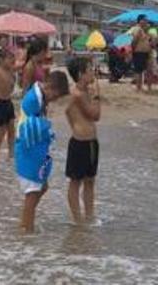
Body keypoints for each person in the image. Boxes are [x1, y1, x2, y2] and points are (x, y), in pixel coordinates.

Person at [15, 70, 70, 234]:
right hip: (27, 150)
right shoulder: (34, 100)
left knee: (42, 186)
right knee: (32, 193)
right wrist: (47, 129)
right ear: (50, 88)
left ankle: (26, 220)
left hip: (33, 149)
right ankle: (26, 230)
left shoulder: (39, 97)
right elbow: (28, 129)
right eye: (56, 96)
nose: (55, 100)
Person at [65, 56, 102, 224]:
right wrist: (97, 96)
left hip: (91, 141)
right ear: (80, 74)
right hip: (80, 142)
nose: (93, 71)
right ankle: (77, 219)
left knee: (90, 181)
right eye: (89, 69)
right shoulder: (78, 94)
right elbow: (95, 115)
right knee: (75, 181)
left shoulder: (85, 92)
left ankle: (89, 216)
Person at [0, 49, 16, 159]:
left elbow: (11, 86)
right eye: (9, 58)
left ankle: (11, 153)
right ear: (1, 60)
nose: (12, 60)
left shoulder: (10, 71)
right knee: (2, 130)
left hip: (8, 102)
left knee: (11, 128)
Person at [130, 15, 152, 93]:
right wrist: (132, 50)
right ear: (140, 21)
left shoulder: (143, 30)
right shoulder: (137, 29)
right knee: (138, 70)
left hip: (144, 52)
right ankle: (138, 87)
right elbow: (134, 41)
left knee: (142, 70)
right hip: (138, 52)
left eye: (146, 20)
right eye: (145, 20)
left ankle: (140, 86)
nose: (146, 22)